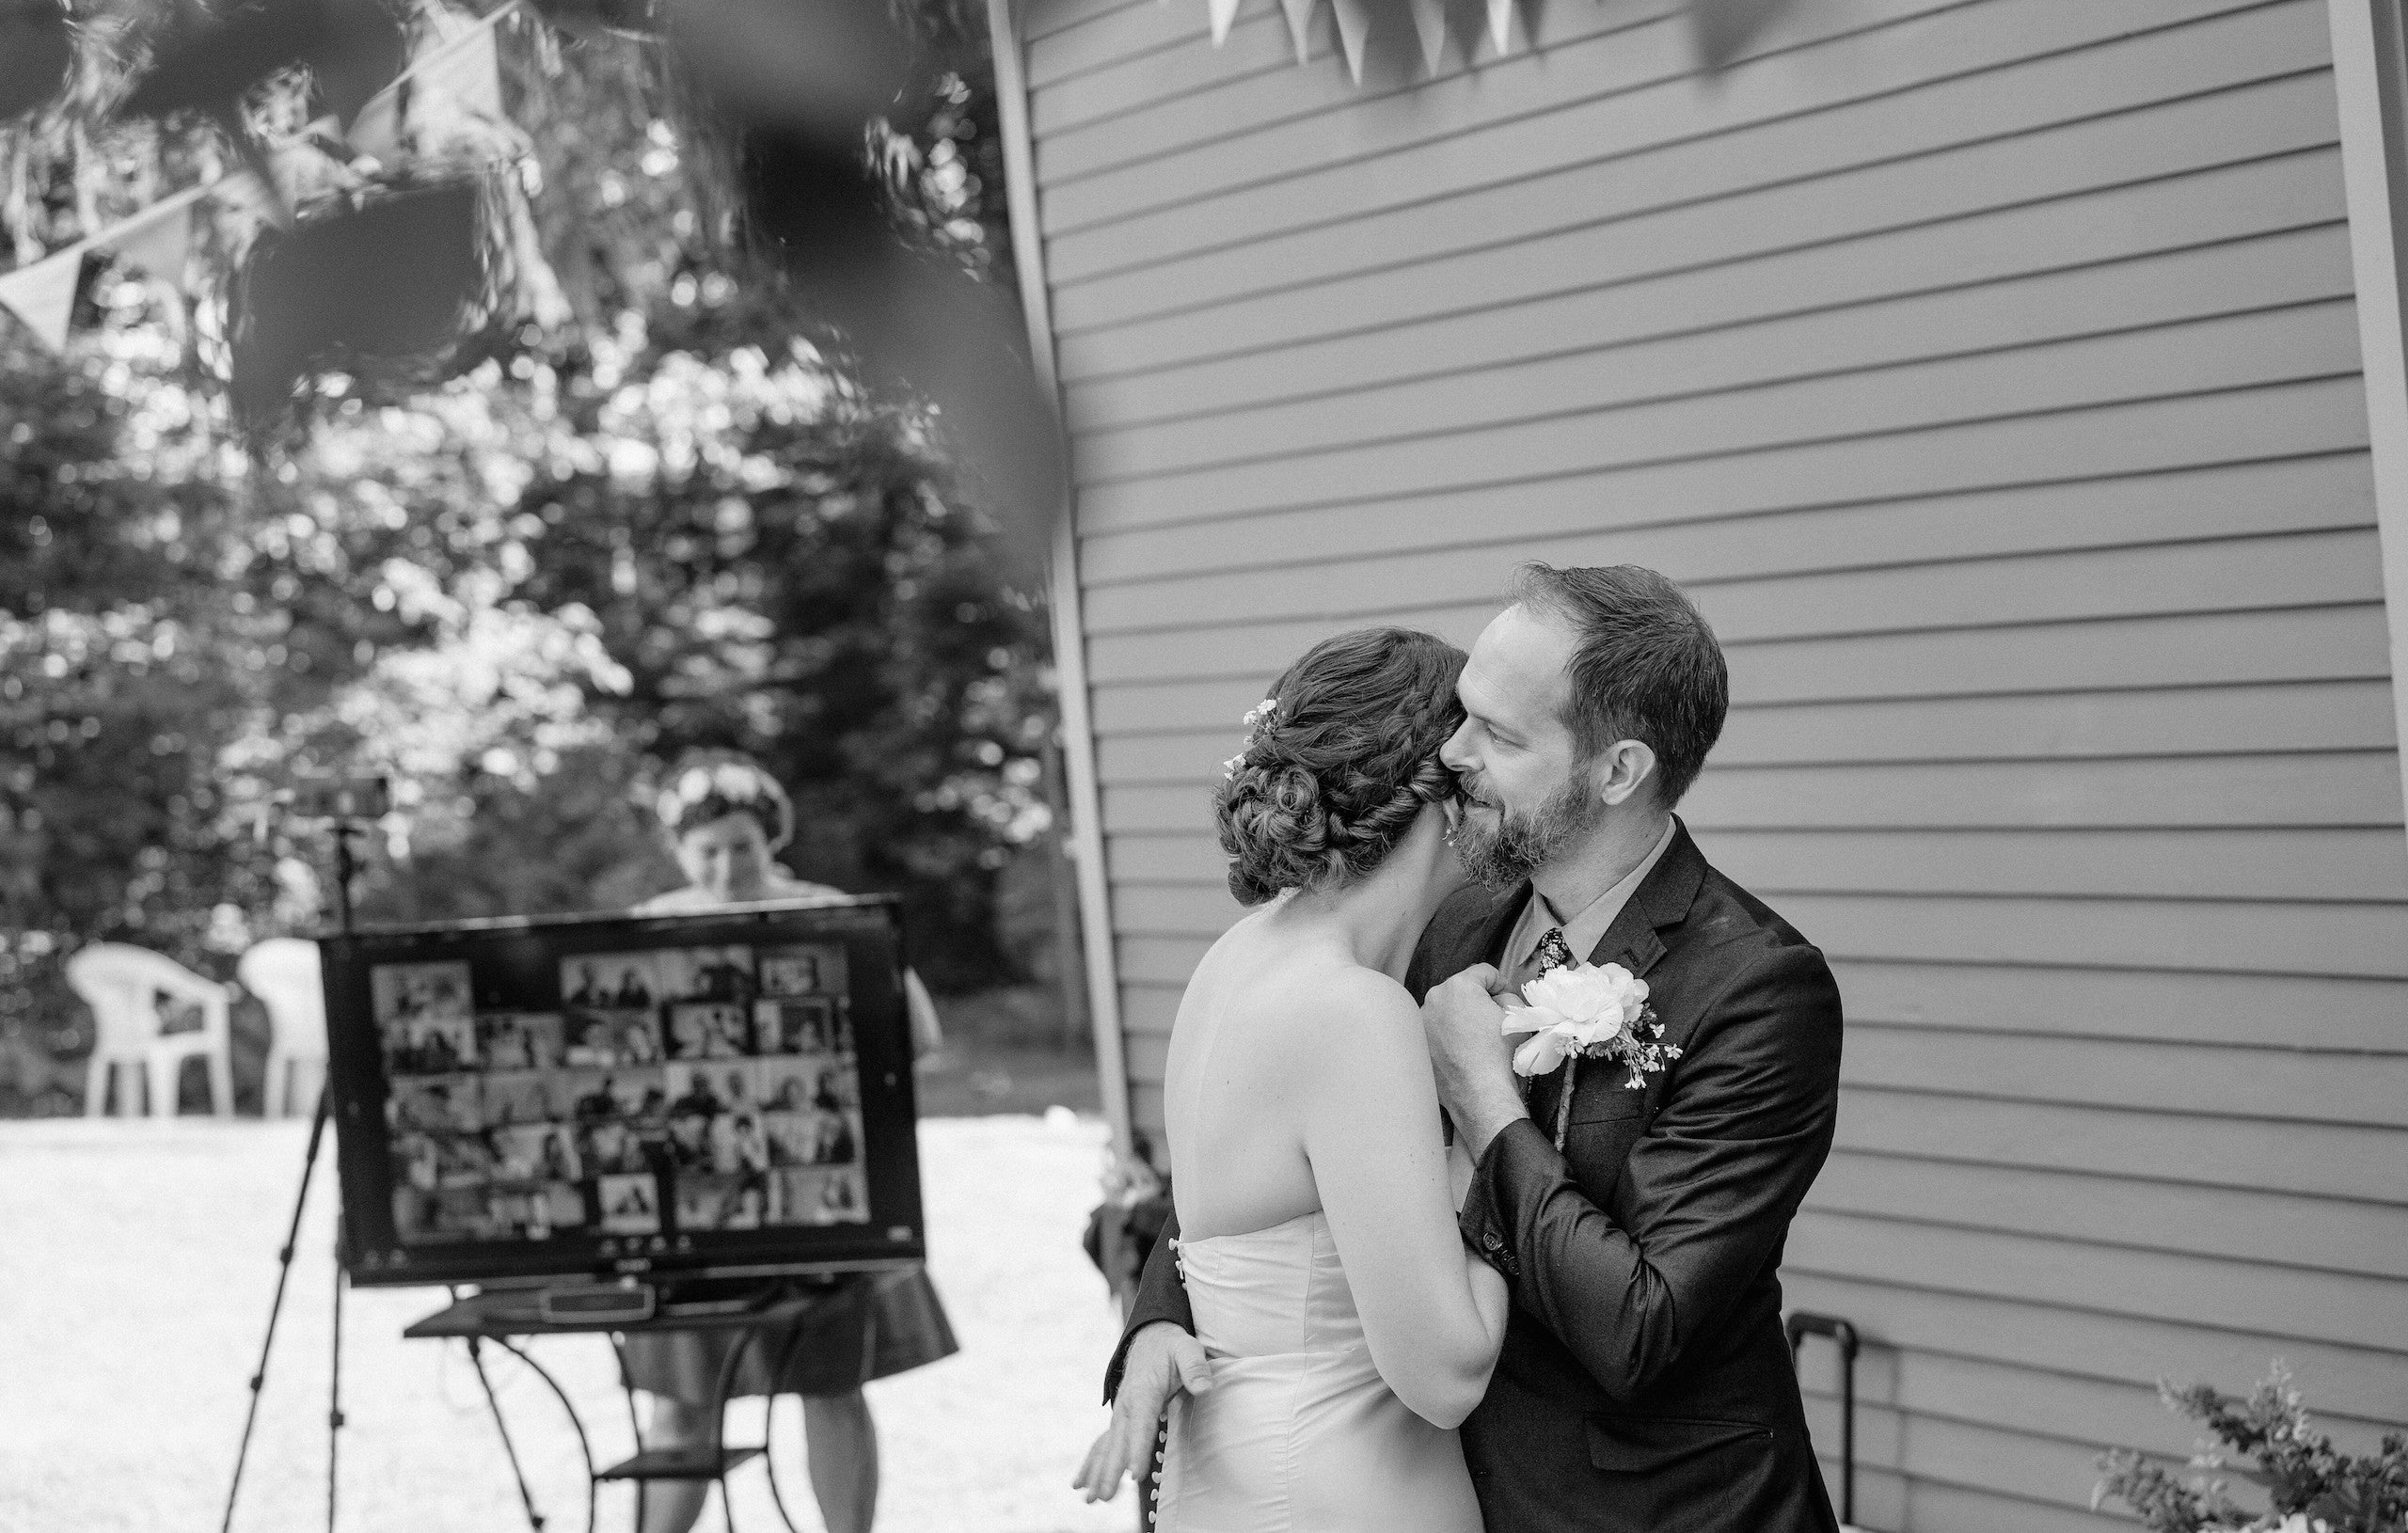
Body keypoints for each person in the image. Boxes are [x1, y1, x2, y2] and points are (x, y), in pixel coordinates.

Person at [1085, 565, 1846, 1533]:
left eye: (1498, 733)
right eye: (1463, 715)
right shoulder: (1445, 917)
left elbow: (1640, 1327)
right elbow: (1303, 1140)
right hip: (1422, 1482)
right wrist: (1167, 1311)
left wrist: (1487, 1108)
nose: (1450, 751)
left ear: (1617, 772)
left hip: (1647, 1511)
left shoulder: (1757, 989)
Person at [1081, 628, 1513, 1531]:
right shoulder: (1355, 1011)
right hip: (1345, 1486)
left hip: (1233, 1472)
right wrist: (1487, 1115)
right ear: (1443, 790)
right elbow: (1446, 1375)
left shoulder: (1238, 956)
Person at [619, 750, 954, 1533]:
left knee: (829, 1384)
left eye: (743, 845)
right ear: (678, 851)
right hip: (690, 1198)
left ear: (770, 839)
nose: (728, 864)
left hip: (810, 1183)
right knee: (678, 1404)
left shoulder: (828, 912)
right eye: (708, 850)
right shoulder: (647, 926)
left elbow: (920, 1034)